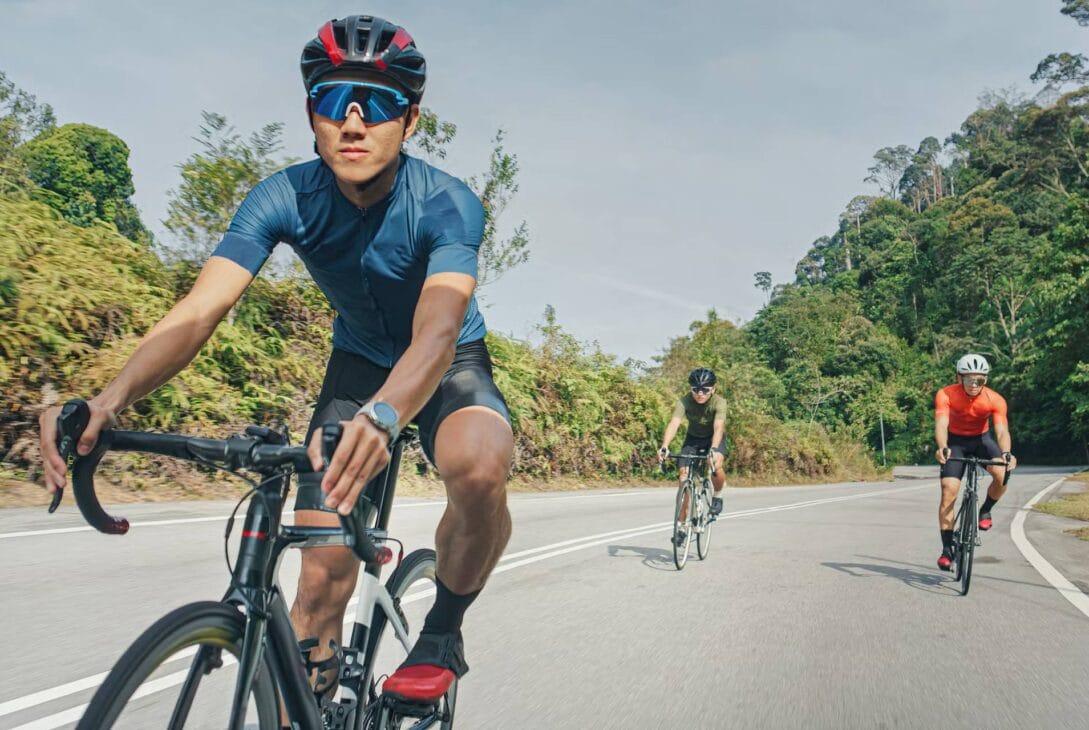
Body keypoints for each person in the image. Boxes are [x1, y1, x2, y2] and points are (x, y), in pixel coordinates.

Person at [38, 14, 512, 700]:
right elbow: (199, 311)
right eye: (332, 100)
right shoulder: (282, 196)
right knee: (319, 579)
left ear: (408, 123)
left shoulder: (447, 203)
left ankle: (441, 626)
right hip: (355, 365)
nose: (353, 123)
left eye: (376, 104)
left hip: (446, 361)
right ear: (310, 114)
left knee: (478, 465)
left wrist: (385, 418)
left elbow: (436, 335)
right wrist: (109, 401)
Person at [934, 353, 1016, 571]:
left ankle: (985, 510)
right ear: (958, 378)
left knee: (1002, 474)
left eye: (979, 379)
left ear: (985, 380)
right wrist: (942, 446)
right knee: (948, 490)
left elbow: (1001, 429)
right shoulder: (946, 394)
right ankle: (947, 550)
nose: (974, 384)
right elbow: (941, 424)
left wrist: (1007, 453)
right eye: (969, 379)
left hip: (982, 440)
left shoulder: (995, 399)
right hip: (956, 442)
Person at [658, 367, 728, 545]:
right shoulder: (684, 402)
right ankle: (681, 527)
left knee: (716, 465)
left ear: (713, 388)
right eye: (696, 389)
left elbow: (718, 427)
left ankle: (718, 495)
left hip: (713, 439)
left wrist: (713, 449)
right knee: (683, 479)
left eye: (705, 389)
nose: (700, 393)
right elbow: (674, 423)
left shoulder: (719, 403)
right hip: (693, 440)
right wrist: (665, 446)